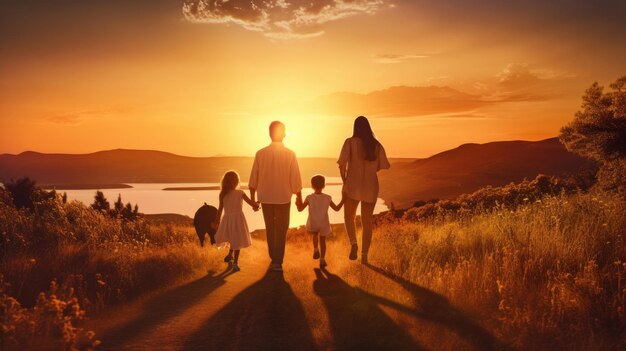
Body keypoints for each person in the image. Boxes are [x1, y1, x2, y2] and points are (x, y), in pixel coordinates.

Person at [249, 121, 302, 272]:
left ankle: (274, 258)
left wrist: (253, 200)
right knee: (281, 228)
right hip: (283, 198)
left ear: (269, 134)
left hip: (266, 197)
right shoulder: (290, 154)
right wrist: (299, 197)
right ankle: (277, 260)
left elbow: (253, 179)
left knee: (270, 228)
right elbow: (296, 179)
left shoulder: (260, 154)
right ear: (284, 134)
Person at [338, 116, 390, 264]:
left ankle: (354, 243)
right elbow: (383, 165)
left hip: (352, 184)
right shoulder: (376, 145)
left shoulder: (349, 142)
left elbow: (342, 165)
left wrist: (345, 181)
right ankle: (365, 256)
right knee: (367, 222)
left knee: (349, 217)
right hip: (371, 185)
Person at [214, 171, 259, 272]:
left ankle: (230, 255)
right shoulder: (240, 193)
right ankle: (236, 263)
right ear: (237, 181)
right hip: (238, 219)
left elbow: (220, 209)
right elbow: (251, 203)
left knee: (232, 238)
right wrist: (257, 204)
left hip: (227, 219)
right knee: (237, 240)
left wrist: (216, 222)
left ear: (225, 182)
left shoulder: (223, 194)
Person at [296, 175, 343, 268]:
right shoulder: (328, 197)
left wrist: (298, 202)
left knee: (315, 234)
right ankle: (322, 259)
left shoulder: (309, 197)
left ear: (312, 186)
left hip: (313, 222)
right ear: (324, 185)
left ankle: (316, 249)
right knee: (323, 240)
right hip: (324, 223)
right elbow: (337, 209)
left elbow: (300, 209)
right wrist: (343, 200)